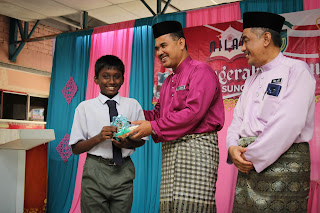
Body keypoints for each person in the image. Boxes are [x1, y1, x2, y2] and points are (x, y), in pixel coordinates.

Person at [128, 21, 225, 212]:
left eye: (163, 45)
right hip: (172, 151)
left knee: (193, 207)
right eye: (156, 48)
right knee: (171, 207)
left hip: (197, 150)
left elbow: (193, 113)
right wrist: (129, 110)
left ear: (181, 43)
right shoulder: (168, 81)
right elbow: (157, 115)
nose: (159, 52)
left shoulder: (201, 71)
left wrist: (153, 127)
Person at [226, 12, 316, 212]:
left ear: (266, 38)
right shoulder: (251, 79)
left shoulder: (297, 70)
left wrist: (252, 156)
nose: (242, 48)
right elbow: (237, 120)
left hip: (283, 168)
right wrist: (232, 148)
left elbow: (289, 122)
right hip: (247, 166)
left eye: (246, 40)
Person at [69, 55, 147, 213]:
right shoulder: (84, 108)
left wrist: (127, 143)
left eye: (116, 76)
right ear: (96, 79)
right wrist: (98, 138)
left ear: (123, 79)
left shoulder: (133, 105)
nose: (111, 82)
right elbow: (76, 149)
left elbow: (142, 140)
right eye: (105, 76)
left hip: (123, 170)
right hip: (95, 170)